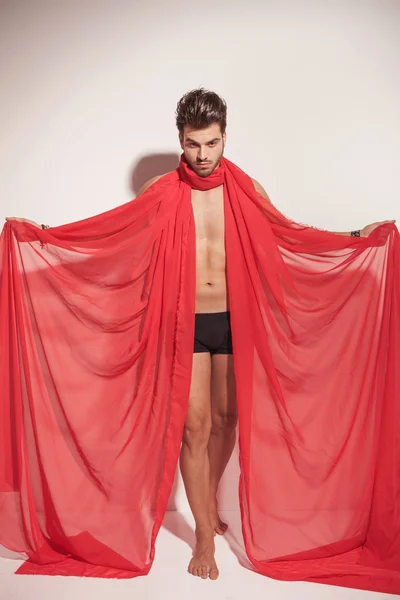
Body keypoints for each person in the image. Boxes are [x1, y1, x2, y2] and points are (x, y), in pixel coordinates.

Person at [5, 88, 396, 581]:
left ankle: (206, 505)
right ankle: (205, 535)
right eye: (193, 145)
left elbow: (289, 234)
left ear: (225, 137)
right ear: (181, 141)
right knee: (194, 427)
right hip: (184, 323)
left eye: (212, 144)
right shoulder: (162, 191)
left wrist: (356, 239)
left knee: (227, 418)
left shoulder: (247, 188)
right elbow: (112, 233)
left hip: (235, 322)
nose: (203, 156)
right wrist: (44, 233)